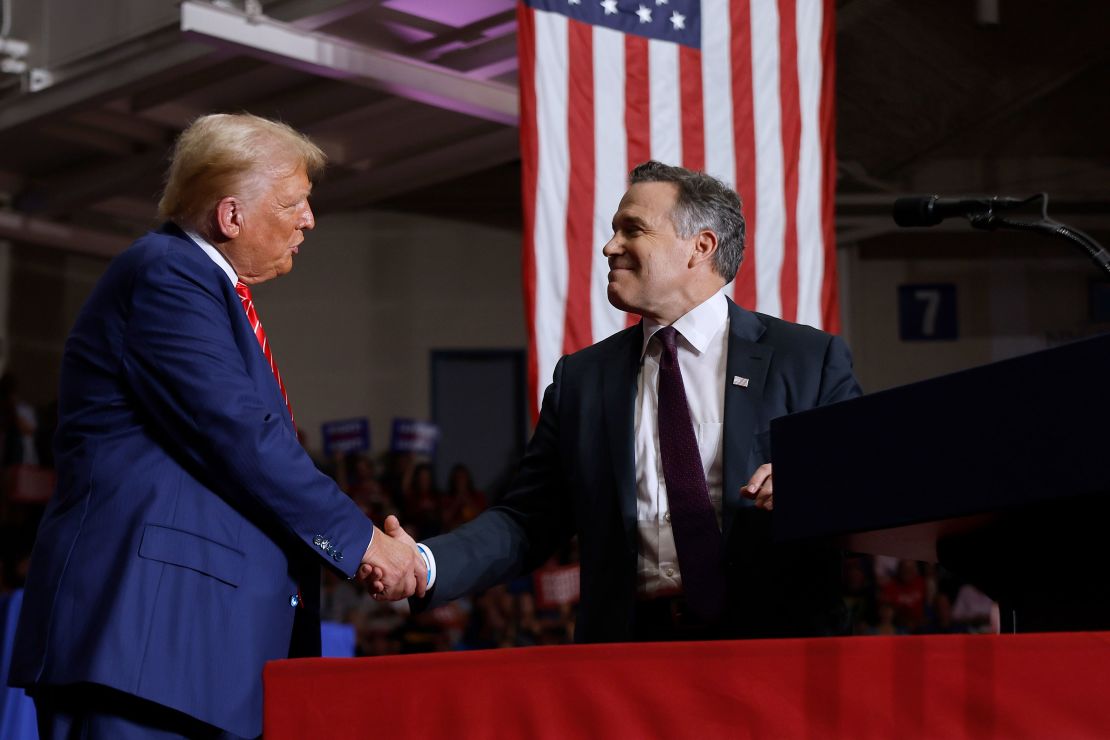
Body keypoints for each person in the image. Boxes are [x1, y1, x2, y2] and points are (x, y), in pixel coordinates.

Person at [7, 113, 425, 739]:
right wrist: (363, 544)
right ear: (231, 216)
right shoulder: (167, 274)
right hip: (147, 644)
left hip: (192, 658)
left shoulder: (208, 291)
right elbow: (239, 436)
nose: (308, 221)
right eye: (294, 204)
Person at [389, 161, 862, 642]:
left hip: (775, 647)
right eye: (614, 230)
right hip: (628, 655)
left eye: (632, 229)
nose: (609, 246)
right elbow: (529, 520)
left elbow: (866, 481)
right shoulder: (582, 379)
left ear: (700, 247)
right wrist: (426, 564)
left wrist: (813, 484)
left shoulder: (807, 359)